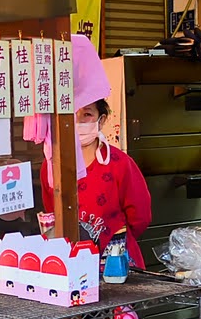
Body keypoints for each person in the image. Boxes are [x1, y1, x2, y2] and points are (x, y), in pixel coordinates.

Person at [39, 99, 153, 268]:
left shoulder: (119, 163)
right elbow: (52, 212)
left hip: (116, 261)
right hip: (71, 263)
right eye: (72, 113)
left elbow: (140, 216)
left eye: (87, 114)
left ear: (102, 119)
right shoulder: (51, 165)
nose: (78, 120)